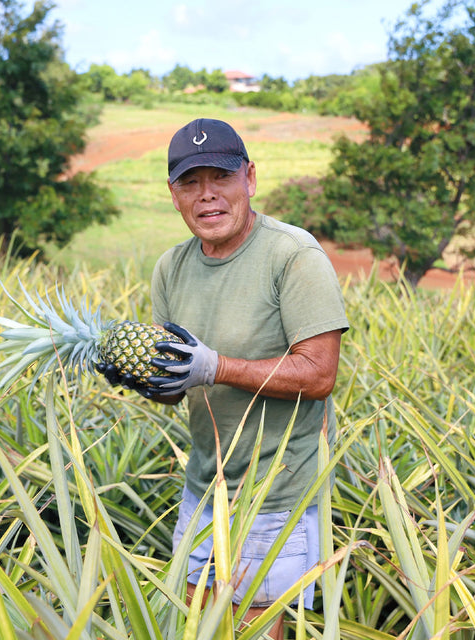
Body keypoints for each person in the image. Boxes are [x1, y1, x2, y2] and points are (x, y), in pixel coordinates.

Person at [99, 118, 349, 639]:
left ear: (250, 179)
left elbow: (320, 372)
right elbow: (179, 385)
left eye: (221, 178)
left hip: (276, 498)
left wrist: (217, 366)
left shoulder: (293, 256)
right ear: (173, 195)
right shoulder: (171, 267)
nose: (206, 196)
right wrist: (148, 377)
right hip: (202, 491)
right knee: (192, 629)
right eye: (190, 182)